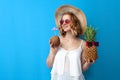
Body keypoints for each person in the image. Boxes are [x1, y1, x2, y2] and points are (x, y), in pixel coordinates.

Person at [46, 5, 93, 80]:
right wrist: (52, 53)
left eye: (67, 21)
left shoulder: (83, 44)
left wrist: (88, 63)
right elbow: (49, 65)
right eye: (62, 21)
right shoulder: (56, 41)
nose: (63, 23)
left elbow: (80, 69)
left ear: (74, 22)